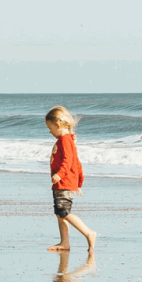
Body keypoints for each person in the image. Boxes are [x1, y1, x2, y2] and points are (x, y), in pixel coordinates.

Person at [46, 106, 97, 251]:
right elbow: (77, 163)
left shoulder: (65, 140)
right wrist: (79, 182)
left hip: (64, 182)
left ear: (57, 125)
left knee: (63, 212)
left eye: (50, 128)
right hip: (63, 183)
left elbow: (68, 161)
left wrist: (60, 174)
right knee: (59, 214)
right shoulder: (67, 140)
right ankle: (64, 243)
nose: (50, 132)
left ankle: (89, 233)